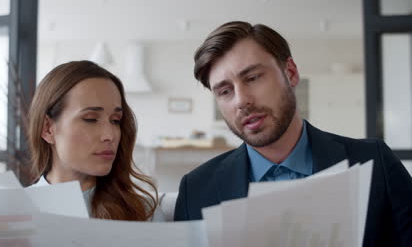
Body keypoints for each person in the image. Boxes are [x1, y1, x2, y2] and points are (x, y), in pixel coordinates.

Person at [174, 21, 412, 245]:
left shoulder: (374, 162)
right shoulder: (195, 191)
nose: (241, 100)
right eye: (225, 91)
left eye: (253, 77)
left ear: (290, 73)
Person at [28, 60, 164, 221]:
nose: (110, 135)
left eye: (115, 120)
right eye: (90, 119)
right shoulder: (12, 212)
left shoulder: (144, 212)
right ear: (47, 128)